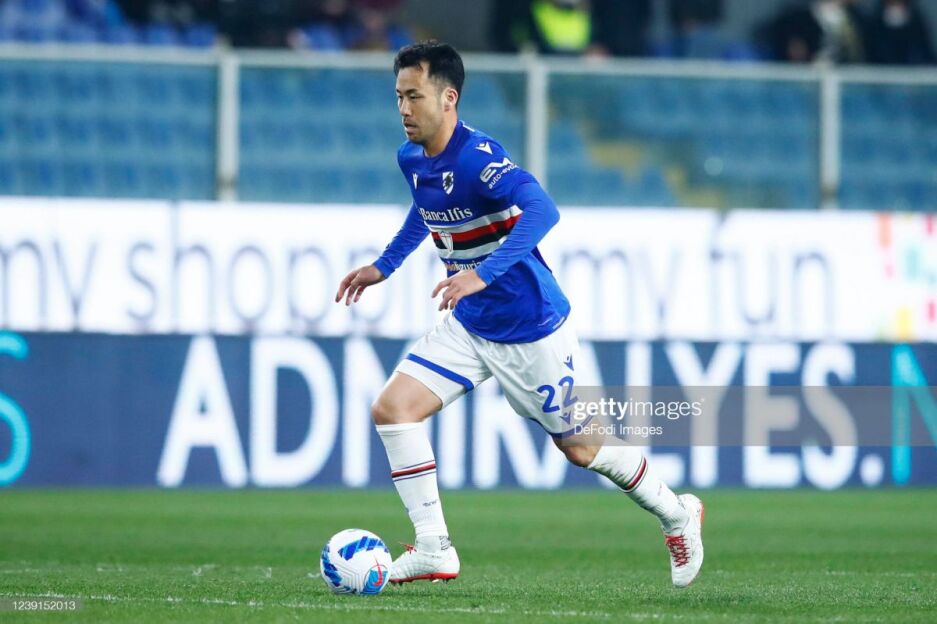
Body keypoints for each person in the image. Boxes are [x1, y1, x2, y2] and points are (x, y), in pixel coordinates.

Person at [334, 40, 705, 588]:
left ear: (449, 98)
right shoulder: (411, 158)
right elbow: (426, 206)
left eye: (414, 96)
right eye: (399, 97)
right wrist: (384, 266)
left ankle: (677, 514)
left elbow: (543, 210)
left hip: (530, 326)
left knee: (582, 447)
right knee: (393, 410)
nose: (404, 109)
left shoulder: (479, 159)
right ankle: (434, 547)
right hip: (470, 322)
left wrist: (482, 274)